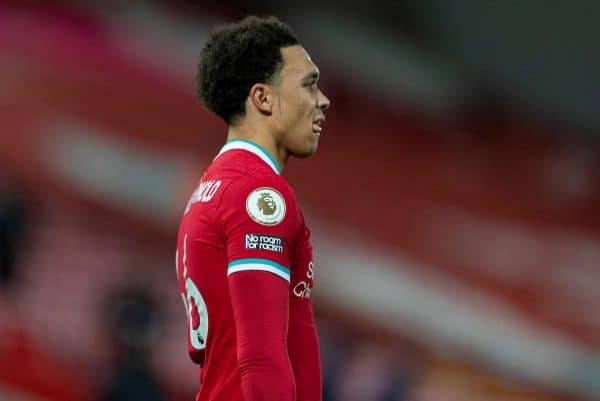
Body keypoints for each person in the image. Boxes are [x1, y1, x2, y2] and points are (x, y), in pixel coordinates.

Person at [175, 15, 330, 401]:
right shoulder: (256, 195)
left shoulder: (212, 188)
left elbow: (206, 349)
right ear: (262, 98)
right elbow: (261, 358)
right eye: (309, 85)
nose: (323, 100)